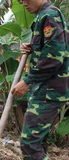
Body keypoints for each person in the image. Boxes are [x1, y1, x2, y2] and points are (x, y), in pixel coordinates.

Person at [11, 0, 69, 159]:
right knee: (39, 142)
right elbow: (52, 47)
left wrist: (27, 81)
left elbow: (54, 58)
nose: (24, 3)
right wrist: (33, 47)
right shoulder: (46, 15)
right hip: (47, 90)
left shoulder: (49, 16)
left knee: (30, 143)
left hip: (48, 91)